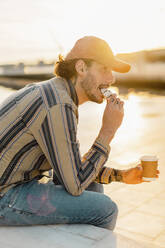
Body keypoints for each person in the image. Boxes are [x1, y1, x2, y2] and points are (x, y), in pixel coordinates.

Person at [0, 36, 155, 230]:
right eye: (105, 69)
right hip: (5, 195)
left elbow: (72, 167)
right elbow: (75, 183)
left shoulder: (56, 92)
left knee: (93, 187)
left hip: (17, 182)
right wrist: (107, 131)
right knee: (105, 209)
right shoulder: (58, 104)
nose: (112, 78)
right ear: (81, 68)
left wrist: (121, 176)